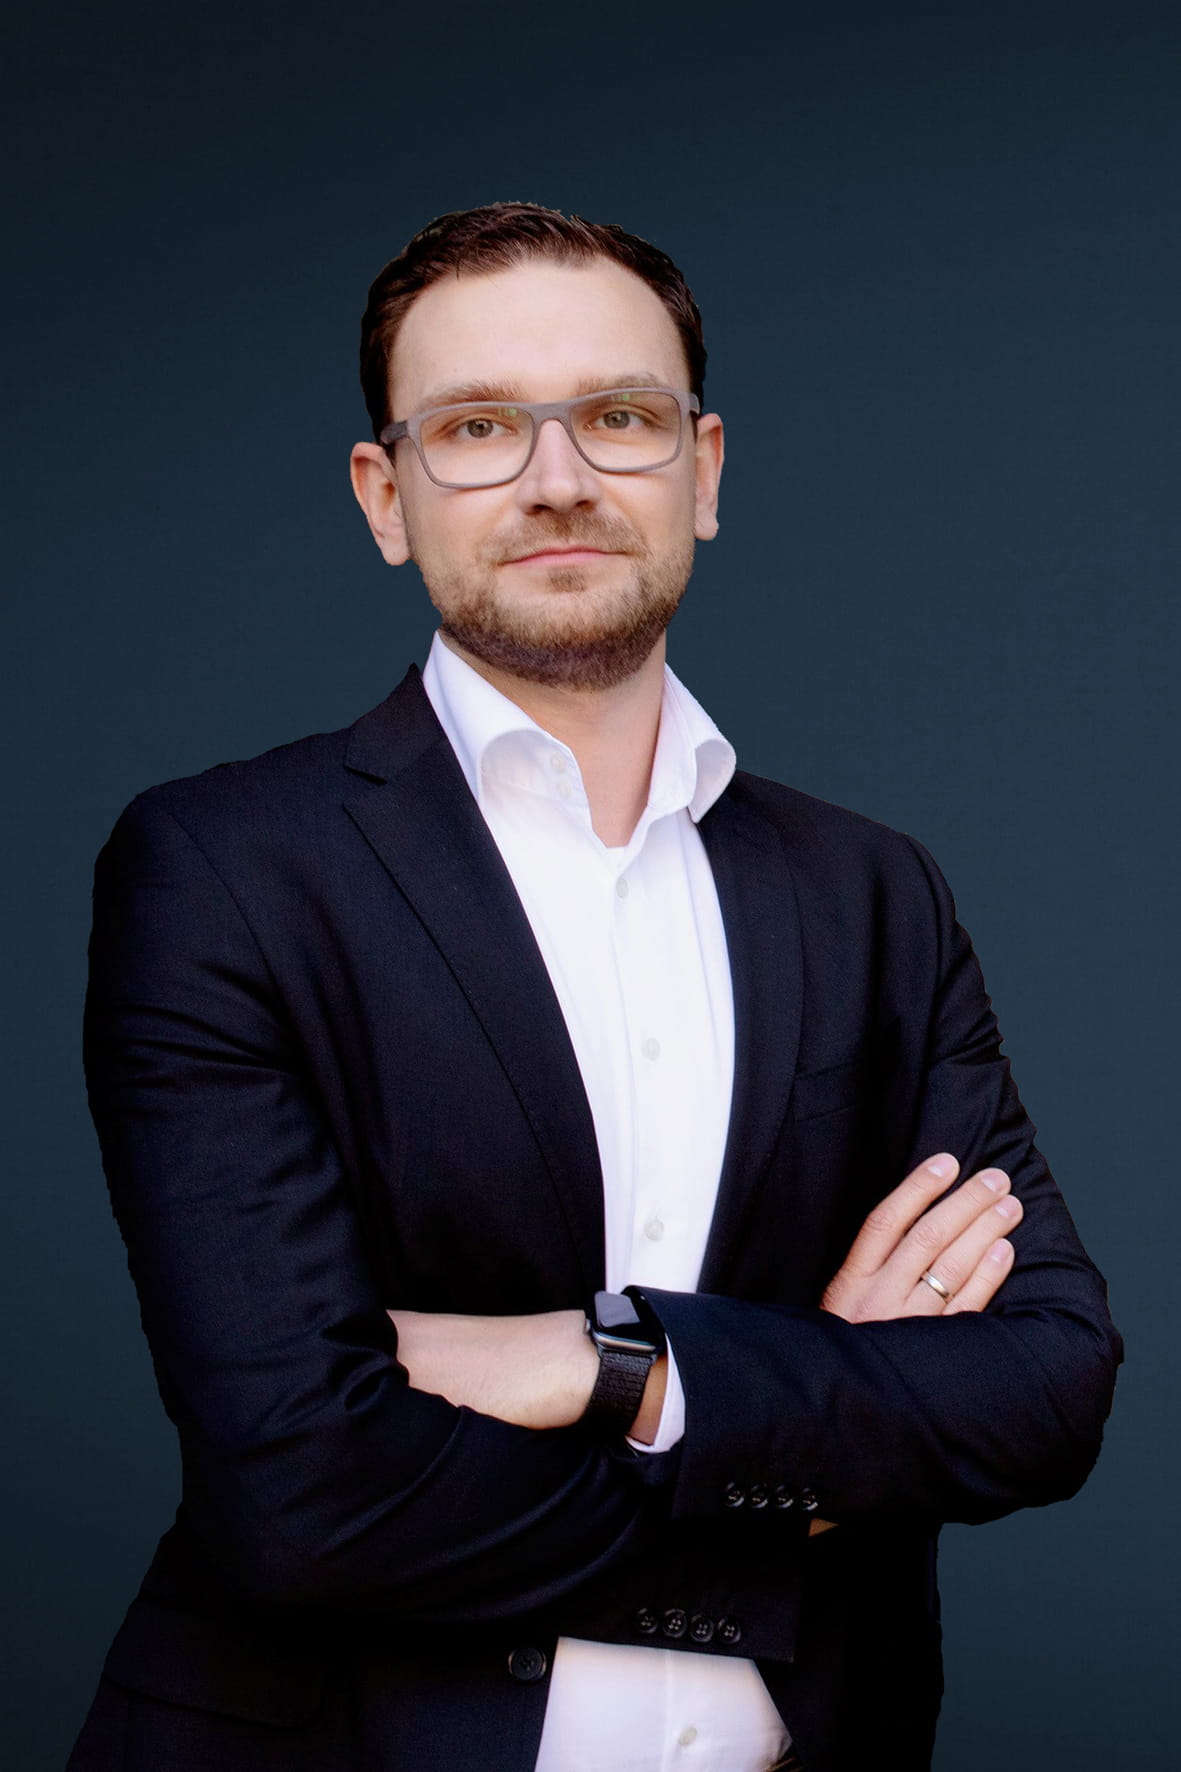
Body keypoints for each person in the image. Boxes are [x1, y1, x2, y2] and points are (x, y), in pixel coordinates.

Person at [68, 202, 1121, 1772]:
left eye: (618, 417)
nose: (556, 478)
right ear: (385, 497)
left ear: (702, 469)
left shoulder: (870, 891)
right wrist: (800, 1426)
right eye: (476, 427)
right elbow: (301, 1490)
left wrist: (600, 1362)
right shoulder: (222, 870)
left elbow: (1042, 1386)